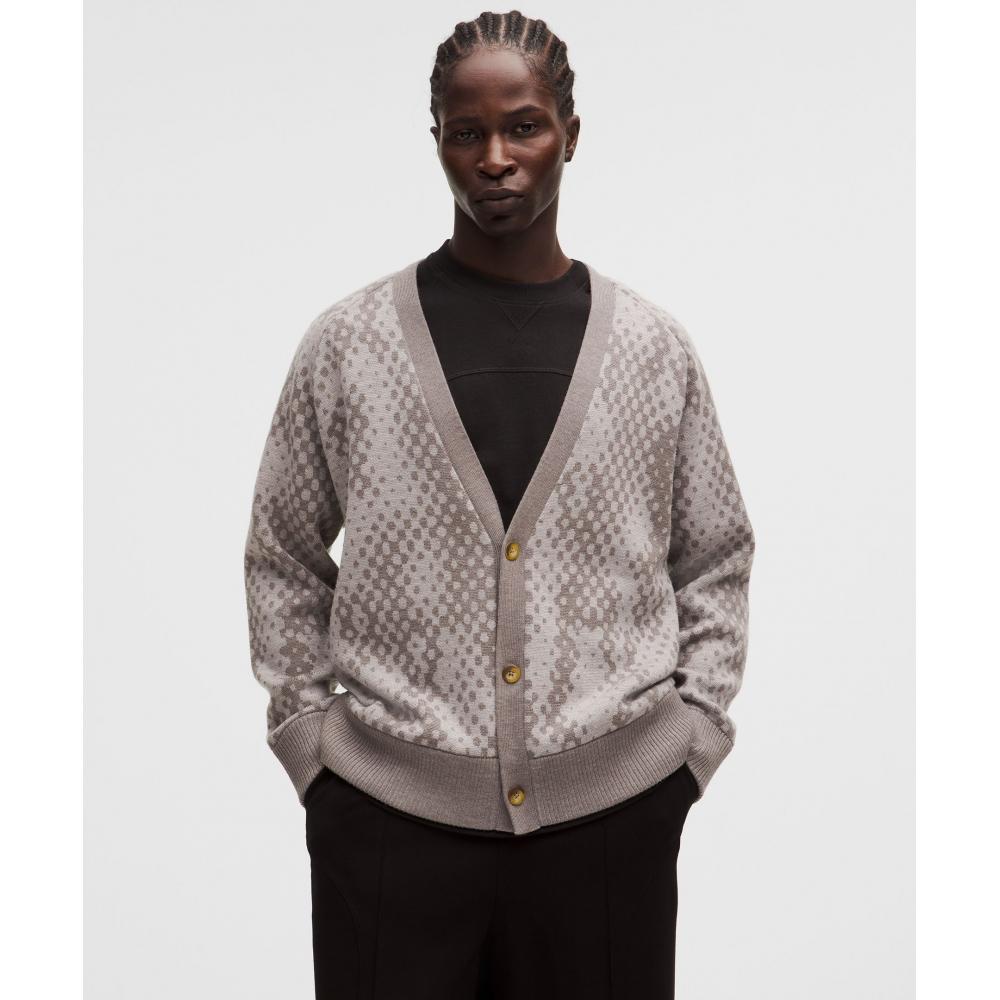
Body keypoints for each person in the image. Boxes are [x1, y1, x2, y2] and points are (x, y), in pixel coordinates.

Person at [243, 10, 755, 999]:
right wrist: (314, 750)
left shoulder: (651, 350)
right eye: (465, 131)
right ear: (434, 138)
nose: (494, 159)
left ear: (570, 132)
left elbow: (715, 555)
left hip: (610, 827)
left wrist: (690, 740)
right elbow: (281, 553)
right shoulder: (347, 346)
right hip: (386, 823)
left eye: (523, 127)